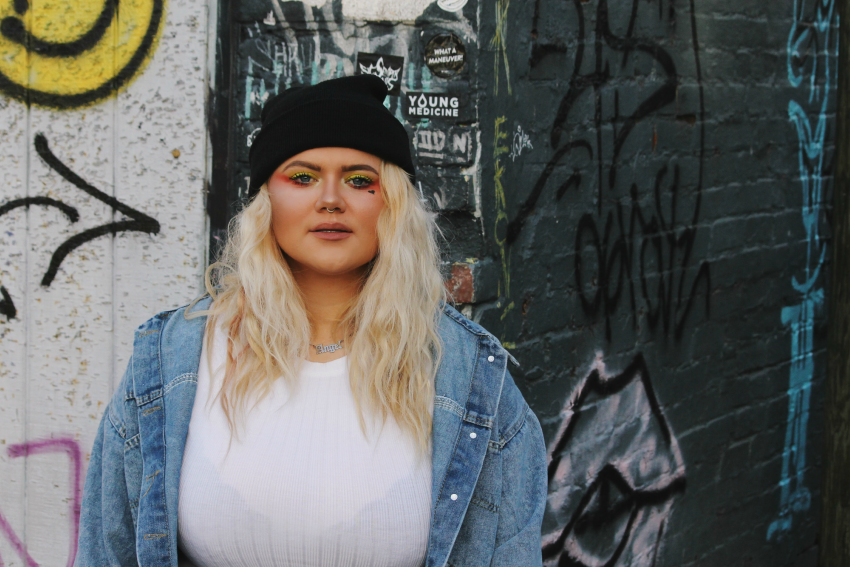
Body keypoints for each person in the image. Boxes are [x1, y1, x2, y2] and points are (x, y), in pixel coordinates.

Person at [74, 74, 547, 567]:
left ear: (392, 203)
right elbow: (107, 552)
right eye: (302, 177)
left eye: (359, 180)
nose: (330, 199)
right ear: (265, 201)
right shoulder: (170, 362)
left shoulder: (471, 378)